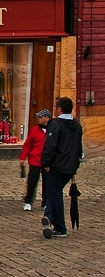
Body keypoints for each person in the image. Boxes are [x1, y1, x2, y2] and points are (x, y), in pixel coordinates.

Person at [40, 97, 84, 239]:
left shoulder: (56, 124)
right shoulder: (76, 125)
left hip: (56, 166)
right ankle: (49, 217)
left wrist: (45, 163)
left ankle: (59, 226)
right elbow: (79, 147)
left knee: (55, 195)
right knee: (56, 192)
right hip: (70, 166)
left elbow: (50, 145)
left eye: (55, 107)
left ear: (59, 109)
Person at [19, 109, 51, 211]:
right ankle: (28, 201)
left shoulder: (53, 130)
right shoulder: (34, 130)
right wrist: (23, 157)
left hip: (48, 160)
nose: (38, 119)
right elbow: (27, 145)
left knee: (47, 183)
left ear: (46, 118)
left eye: (40, 117)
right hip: (35, 160)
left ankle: (45, 203)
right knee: (32, 182)